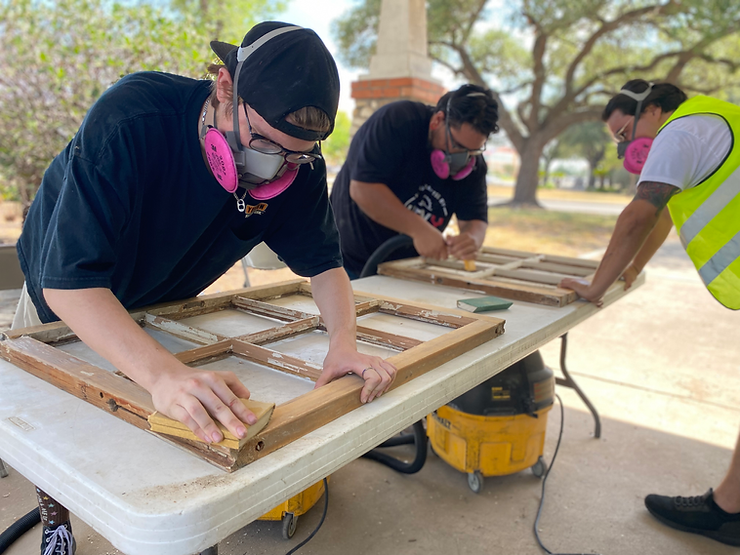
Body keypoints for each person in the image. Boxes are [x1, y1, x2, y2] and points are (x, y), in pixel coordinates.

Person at [13, 21, 397, 555]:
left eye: (295, 156)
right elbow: (70, 285)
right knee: (57, 433)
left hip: (164, 302)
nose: (274, 172)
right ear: (224, 88)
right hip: (63, 293)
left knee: (177, 428)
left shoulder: (295, 166)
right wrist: (164, 374)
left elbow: (325, 265)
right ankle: (56, 518)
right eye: (262, 144)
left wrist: (343, 342)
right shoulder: (132, 119)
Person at [560, 79, 740, 547]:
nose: (625, 147)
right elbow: (661, 217)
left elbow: (640, 213)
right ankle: (730, 505)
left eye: (624, 134)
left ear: (654, 110)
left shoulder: (678, 133)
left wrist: (594, 285)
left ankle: (726, 510)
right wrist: (633, 267)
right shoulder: (710, 122)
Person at [330, 84, 500, 279]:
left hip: (407, 269)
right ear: (438, 120)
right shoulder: (397, 121)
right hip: (349, 262)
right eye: (458, 147)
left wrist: (470, 240)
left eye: (473, 152)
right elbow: (363, 190)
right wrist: (418, 229)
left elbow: (475, 220)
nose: (464, 159)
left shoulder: (474, 165)